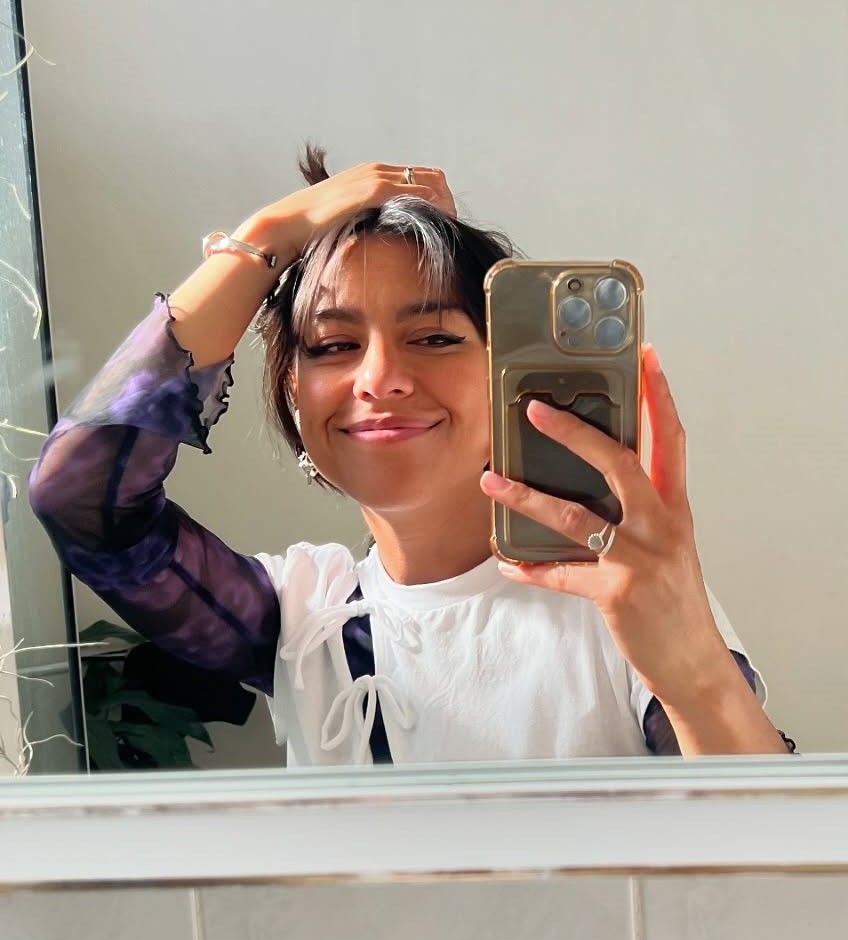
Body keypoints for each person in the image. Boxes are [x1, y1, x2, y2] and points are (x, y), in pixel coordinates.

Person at [29, 147, 793, 766]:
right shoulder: (302, 617)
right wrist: (266, 236)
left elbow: (764, 867)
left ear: (505, 376)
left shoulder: (619, 599)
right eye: (333, 345)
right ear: (294, 389)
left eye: (433, 337)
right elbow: (81, 499)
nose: (380, 378)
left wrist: (693, 668)